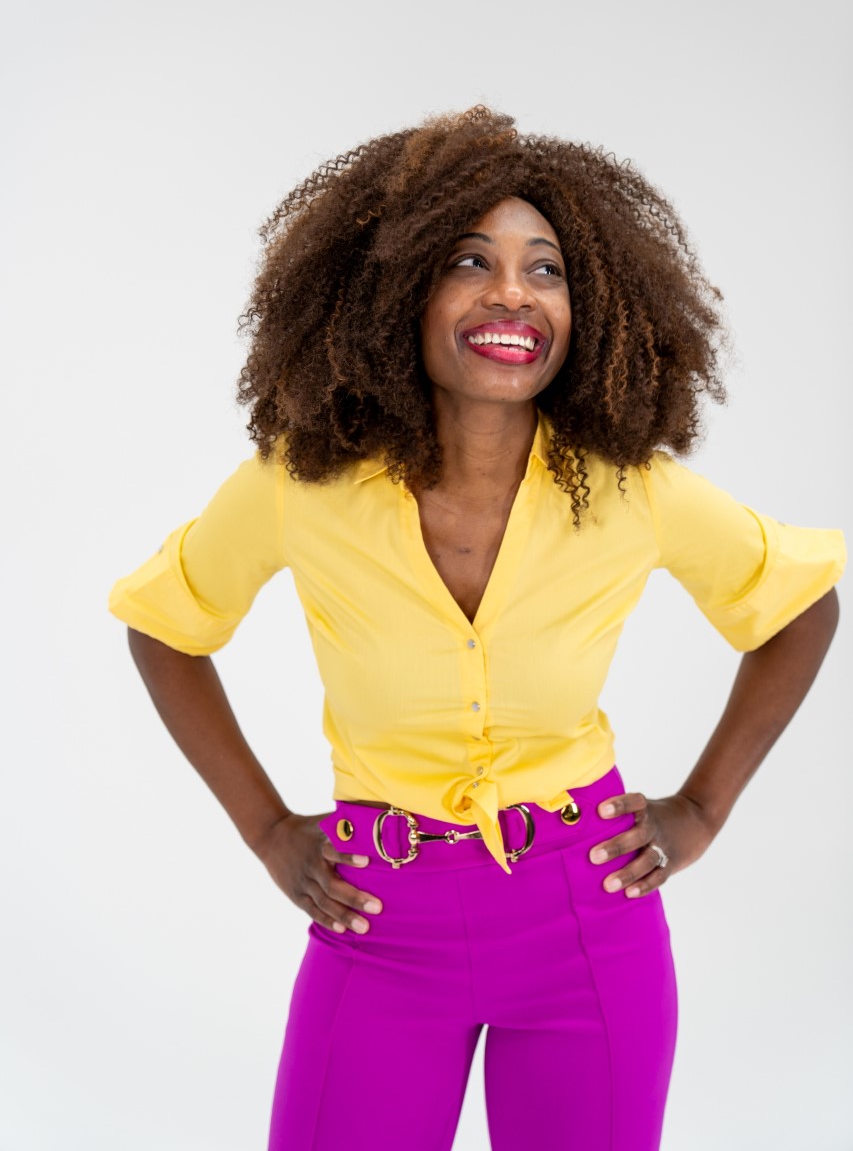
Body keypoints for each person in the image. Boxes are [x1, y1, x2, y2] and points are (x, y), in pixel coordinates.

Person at [108, 105, 845, 1151]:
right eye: (470, 261)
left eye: (546, 269)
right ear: (396, 292)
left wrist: (700, 809)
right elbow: (165, 627)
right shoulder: (298, 486)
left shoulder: (632, 491)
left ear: (587, 310)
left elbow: (797, 606)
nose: (512, 292)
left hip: (587, 919)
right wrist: (269, 831)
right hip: (377, 924)